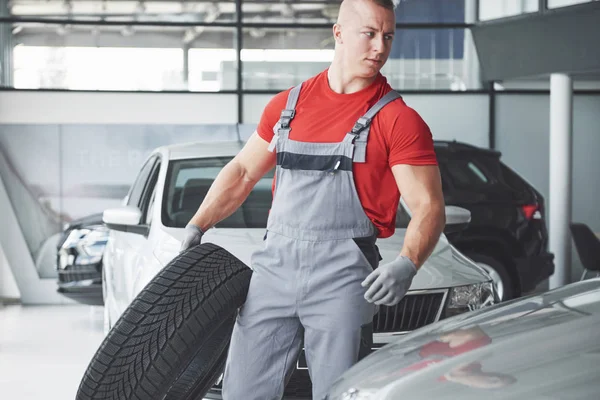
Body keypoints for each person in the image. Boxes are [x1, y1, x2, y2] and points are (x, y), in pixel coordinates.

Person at [180, 0, 445, 398]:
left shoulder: (397, 119)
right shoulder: (287, 106)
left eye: (388, 36)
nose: (380, 47)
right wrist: (197, 224)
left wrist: (407, 263)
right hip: (273, 270)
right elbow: (242, 173)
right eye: (369, 34)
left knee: (340, 392)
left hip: (343, 276)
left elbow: (428, 206)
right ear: (338, 33)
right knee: (242, 391)